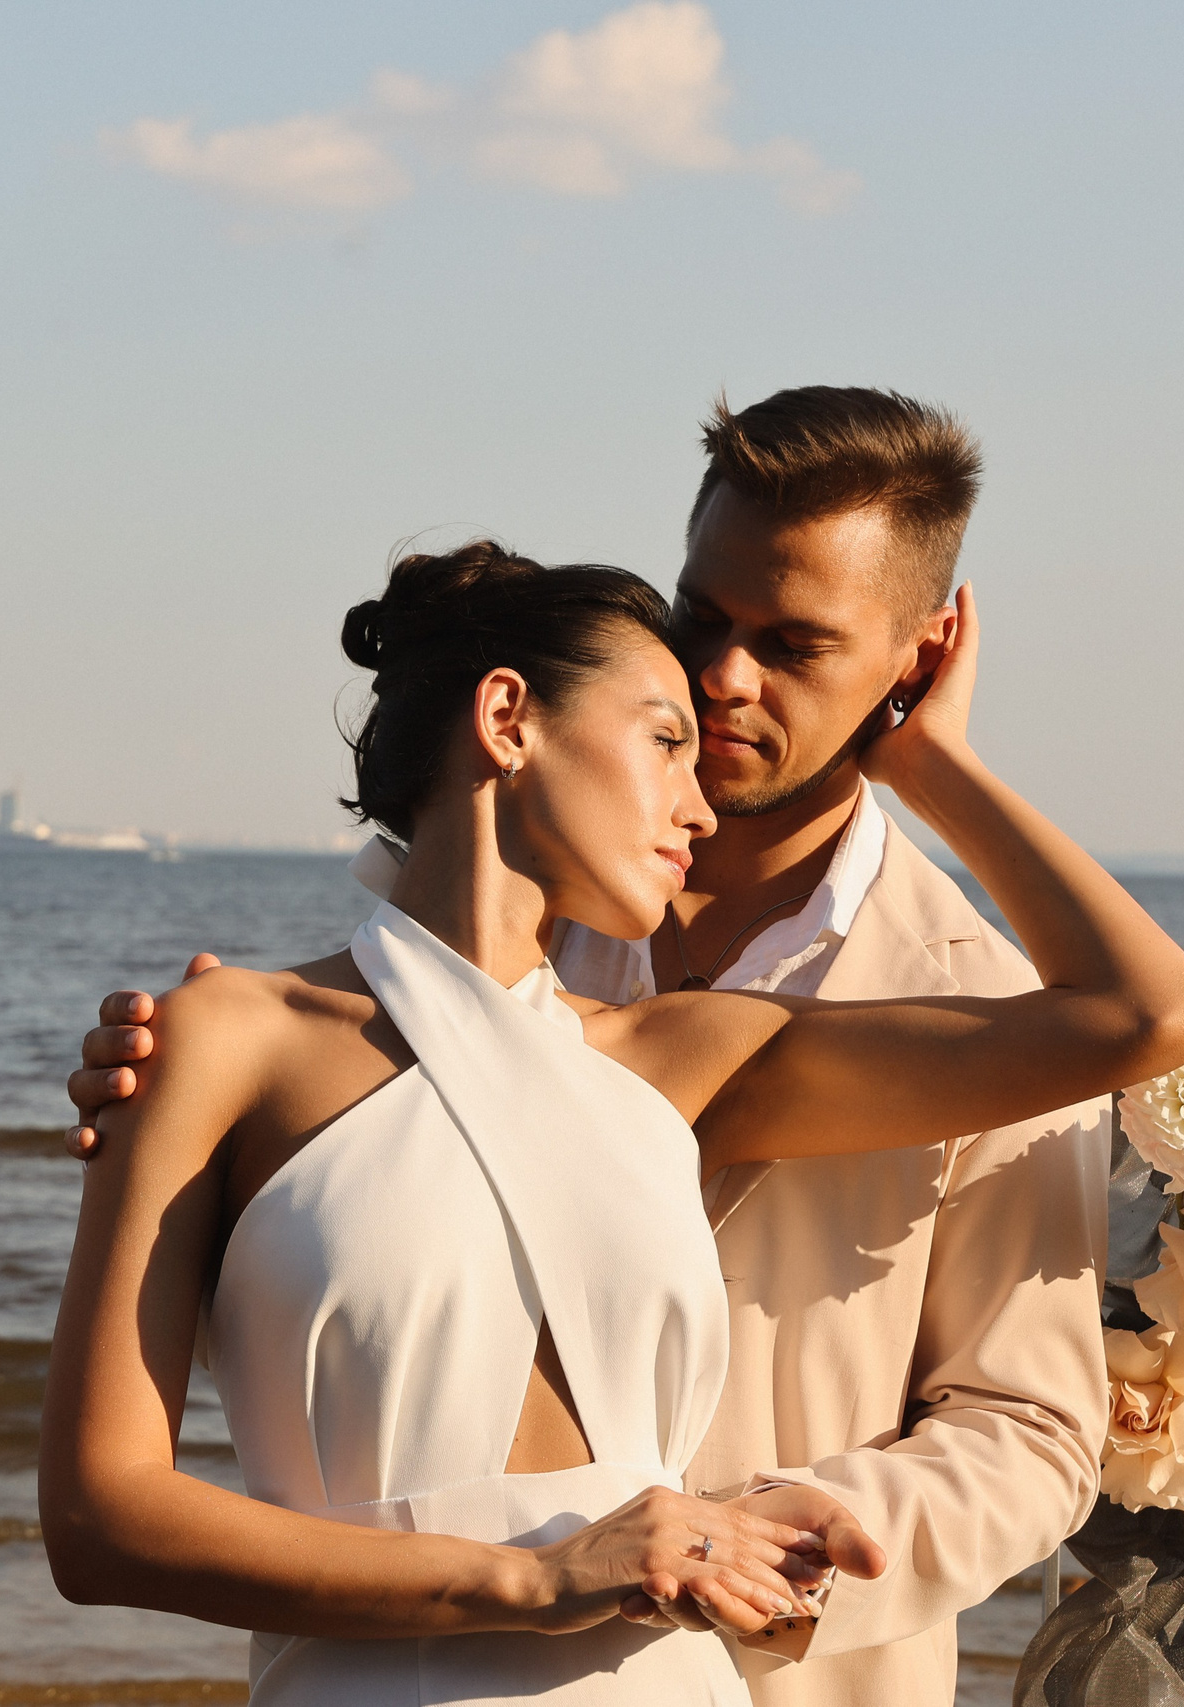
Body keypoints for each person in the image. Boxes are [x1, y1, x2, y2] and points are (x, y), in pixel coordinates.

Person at [67, 388, 1117, 1705]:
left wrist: (753, 1542)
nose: (729, 679)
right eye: (704, 623)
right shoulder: (478, 914)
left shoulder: (975, 999)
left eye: (795, 644)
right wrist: (166, 1090)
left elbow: (1030, 1426)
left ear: (913, 658)